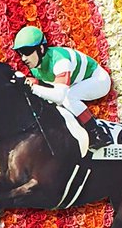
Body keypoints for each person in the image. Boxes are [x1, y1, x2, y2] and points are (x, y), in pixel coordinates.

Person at [12, 25, 114, 154]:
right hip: (76, 83)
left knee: (68, 97)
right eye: (20, 53)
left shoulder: (60, 61)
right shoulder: (36, 67)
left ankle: (98, 133)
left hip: (98, 80)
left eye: (27, 52)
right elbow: (49, 89)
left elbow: (59, 96)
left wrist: (32, 87)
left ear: (41, 49)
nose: (23, 58)